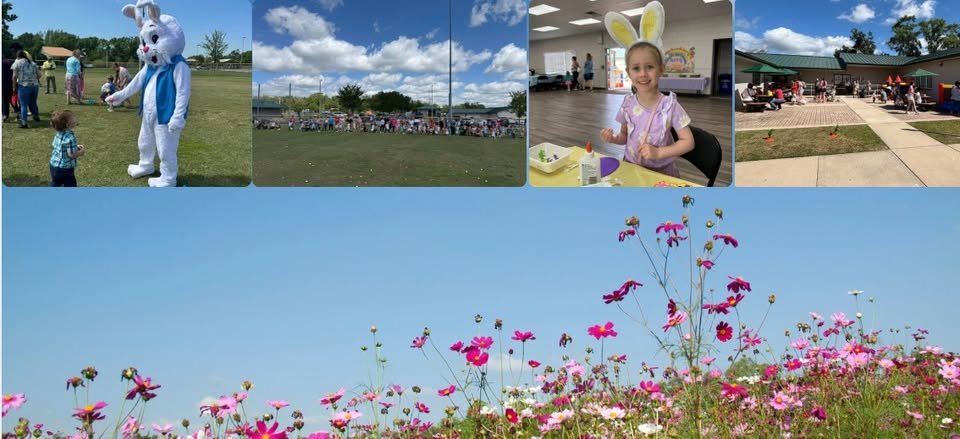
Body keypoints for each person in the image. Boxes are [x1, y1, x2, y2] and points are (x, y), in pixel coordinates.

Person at [599, 41, 694, 178]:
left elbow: (688, 142)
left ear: (661, 69)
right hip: (631, 168)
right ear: (628, 73)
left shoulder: (669, 106)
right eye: (636, 68)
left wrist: (658, 153)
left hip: (661, 173)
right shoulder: (627, 104)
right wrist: (613, 138)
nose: (643, 73)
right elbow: (624, 136)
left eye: (649, 67)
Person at [49, 110, 86, 187]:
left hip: (53, 165)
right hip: (65, 169)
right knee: (70, 185)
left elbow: (61, 147)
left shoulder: (58, 134)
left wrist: (75, 147)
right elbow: (71, 155)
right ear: (67, 124)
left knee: (55, 182)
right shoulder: (70, 137)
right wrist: (81, 153)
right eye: (72, 119)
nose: (75, 119)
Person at [11, 50, 41, 128]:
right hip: (34, 86)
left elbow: (14, 77)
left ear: (17, 56)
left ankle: (24, 122)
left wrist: (14, 86)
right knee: (33, 102)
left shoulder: (17, 63)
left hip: (23, 86)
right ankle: (36, 116)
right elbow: (39, 75)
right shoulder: (33, 63)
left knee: (23, 104)